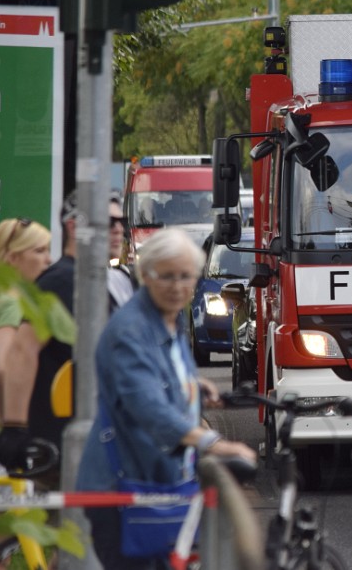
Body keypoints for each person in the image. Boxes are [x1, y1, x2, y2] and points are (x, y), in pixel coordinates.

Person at [75, 228, 256, 570]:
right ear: (145, 275)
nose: (177, 286)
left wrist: (191, 386)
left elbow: (160, 376)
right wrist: (213, 442)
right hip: (123, 487)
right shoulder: (130, 330)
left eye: (186, 276)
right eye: (167, 276)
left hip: (157, 481)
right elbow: (146, 406)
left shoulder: (167, 321)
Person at [0, 190, 135, 478]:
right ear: (74, 227)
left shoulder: (104, 280)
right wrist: (14, 427)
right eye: (108, 222)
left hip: (98, 439)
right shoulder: (60, 281)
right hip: (61, 446)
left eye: (122, 221)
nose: (119, 229)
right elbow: (22, 351)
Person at [0, 218, 52, 479]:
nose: (48, 260)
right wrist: (9, 424)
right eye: (39, 251)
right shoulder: (11, 304)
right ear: (12, 258)